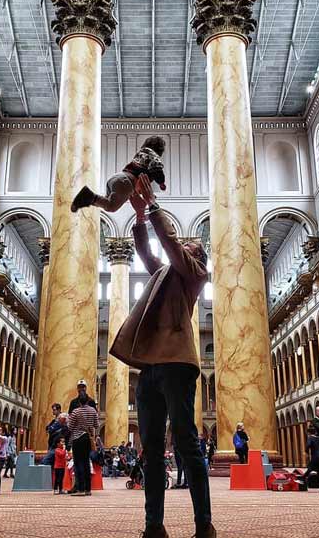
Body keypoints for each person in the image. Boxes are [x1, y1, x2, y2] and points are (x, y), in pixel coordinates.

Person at [110, 175, 214, 538]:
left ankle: (204, 524)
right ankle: (153, 525)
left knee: (186, 443)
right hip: (151, 367)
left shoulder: (193, 273)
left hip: (177, 364)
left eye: (190, 245)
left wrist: (154, 206)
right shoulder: (164, 275)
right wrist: (139, 218)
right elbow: (150, 254)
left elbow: (170, 246)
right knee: (152, 451)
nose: (185, 245)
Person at [71, 135, 166, 213]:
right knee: (111, 207)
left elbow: (141, 184)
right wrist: (161, 183)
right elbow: (157, 169)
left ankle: (85, 200)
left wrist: (149, 195)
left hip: (116, 178)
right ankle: (88, 196)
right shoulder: (153, 156)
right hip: (126, 183)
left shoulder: (140, 154)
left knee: (106, 203)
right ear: (160, 149)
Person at [67, 394, 98, 497]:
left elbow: (70, 427)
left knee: (78, 463)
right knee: (86, 463)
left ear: (79, 402)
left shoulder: (76, 411)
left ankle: (80, 489)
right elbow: (96, 425)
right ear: (88, 401)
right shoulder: (93, 411)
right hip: (87, 439)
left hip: (77, 439)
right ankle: (88, 489)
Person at [301, 426, 319, 492]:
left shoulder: (310, 438)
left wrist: (306, 452)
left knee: (310, 468)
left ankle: (302, 479)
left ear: (308, 433)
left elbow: (308, 445)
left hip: (315, 456)